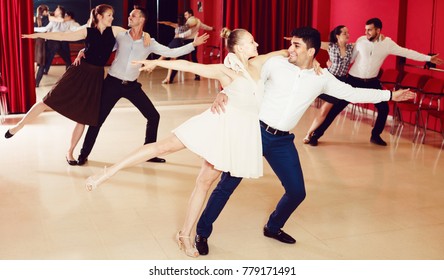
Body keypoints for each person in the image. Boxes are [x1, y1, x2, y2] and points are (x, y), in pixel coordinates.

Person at [193, 26, 415, 256]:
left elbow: (352, 92)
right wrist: (224, 92)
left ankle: (273, 226)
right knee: (228, 183)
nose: (290, 49)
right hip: (256, 131)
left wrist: (389, 95)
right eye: (291, 43)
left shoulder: (321, 78)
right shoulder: (275, 64)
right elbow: (243, 76)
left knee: (297, 191)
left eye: (296, 45)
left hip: (282, 141)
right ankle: (202, 231)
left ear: (311, 52)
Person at [85, 28, 288, 257]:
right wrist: (158, 64)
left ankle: (184, 234)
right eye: (252, 42)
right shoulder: (226, 70)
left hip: (232, 134)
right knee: (163, 147)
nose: (257, 44)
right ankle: (107, 173)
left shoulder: (258, 64)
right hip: (216, 123)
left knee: (204, 182)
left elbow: (283, 52)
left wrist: (310, 61)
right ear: (239, 48)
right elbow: (189, 66)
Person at [5, 4, 143, 165]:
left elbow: (134, 34)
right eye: (109, 15)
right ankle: (18, 127)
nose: (112, 18)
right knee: (46, 101)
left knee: (83, 117)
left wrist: (146, 36)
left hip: (96, 77)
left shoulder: (116, 31)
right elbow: (63, 36)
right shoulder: (87, 31)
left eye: (112, 15)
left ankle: (70, 152)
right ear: (99, 16)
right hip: (78, 72)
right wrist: (37, 35)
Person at [75, 8, 209, 166]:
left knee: (153, 116)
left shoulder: (149, 42)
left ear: (142, 20)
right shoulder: (120, 36)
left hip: (131, 86)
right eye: (130, 15)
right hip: (112, 83)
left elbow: (171, 51)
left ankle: (149, 154)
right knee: (97, 120)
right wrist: (83, 51)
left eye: (133, 15)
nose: (129, 17)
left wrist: (193, 44)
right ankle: (83, 155)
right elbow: (101, 46)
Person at [308, 17, 443, 147]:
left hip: (372, 81)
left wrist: (428, 58)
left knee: (383, 108)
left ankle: (375, 135)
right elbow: (349, 58)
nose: (366, 33)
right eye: (365, 29)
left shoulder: (388, 44)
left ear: (378, 30)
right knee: (336, 108)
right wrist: (332, 64)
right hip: (353, 80)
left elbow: (406, 52)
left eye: (370, 30)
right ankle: (315, 135)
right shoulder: (361, 41)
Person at [169, 9, 214, 82]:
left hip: (187, 41)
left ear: (190, 14)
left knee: (179, 58)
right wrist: (211, 28)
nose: (185, 16)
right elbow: (204, 26)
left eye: (186, 15)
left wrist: (178, 34)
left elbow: (186, 31)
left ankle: (171, 78)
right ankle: (197, 76)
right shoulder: (198, 21)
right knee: (194, 58)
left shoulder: (190, 21)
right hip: (195, 41)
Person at [157, 16, 192, 84]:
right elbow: (170, 23)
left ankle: (152, 65)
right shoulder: (186, 27)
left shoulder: (178, 26)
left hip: (175, 42)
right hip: (179, 43)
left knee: (164, 56)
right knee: (172, 61)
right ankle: (168, 78)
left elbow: (169, 23)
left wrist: (162, 22)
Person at [34, 4, 49, 87]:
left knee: (35, 63)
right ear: (44, 11)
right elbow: (46, 30)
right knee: (42, 63)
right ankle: (36, 82)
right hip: (42, 42)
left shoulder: (35, 19)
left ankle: (32, 80)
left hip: (35, 41)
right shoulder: (47, 19)